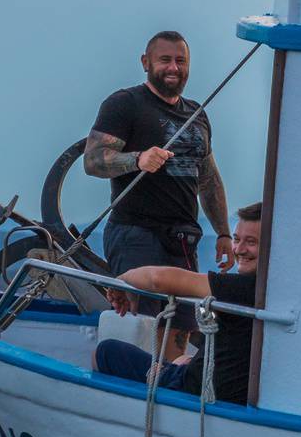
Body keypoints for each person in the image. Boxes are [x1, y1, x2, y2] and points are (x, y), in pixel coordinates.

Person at [83, 30, 233, 352]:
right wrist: (138, 159)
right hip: (136, 233)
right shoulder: (125, 103)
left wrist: (223, 233)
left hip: (183, 239)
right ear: (145, 62)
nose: (173, 68)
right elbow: (93, 160)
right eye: (165, 60)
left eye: (181, 61)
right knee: (144, 323)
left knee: (180, 327)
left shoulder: (197, 114)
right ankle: (133, 383)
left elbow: (208, 178)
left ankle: (165, 390)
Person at [93, 218, 260, 403]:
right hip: (222, 387)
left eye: (251, 242)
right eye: (236, 240)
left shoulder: (243, 288)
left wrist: (122, 280)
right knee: (182, 358)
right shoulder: (277, 292)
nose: (239, 249)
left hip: (193, 387)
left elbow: (158, 279)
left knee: (105, 352)